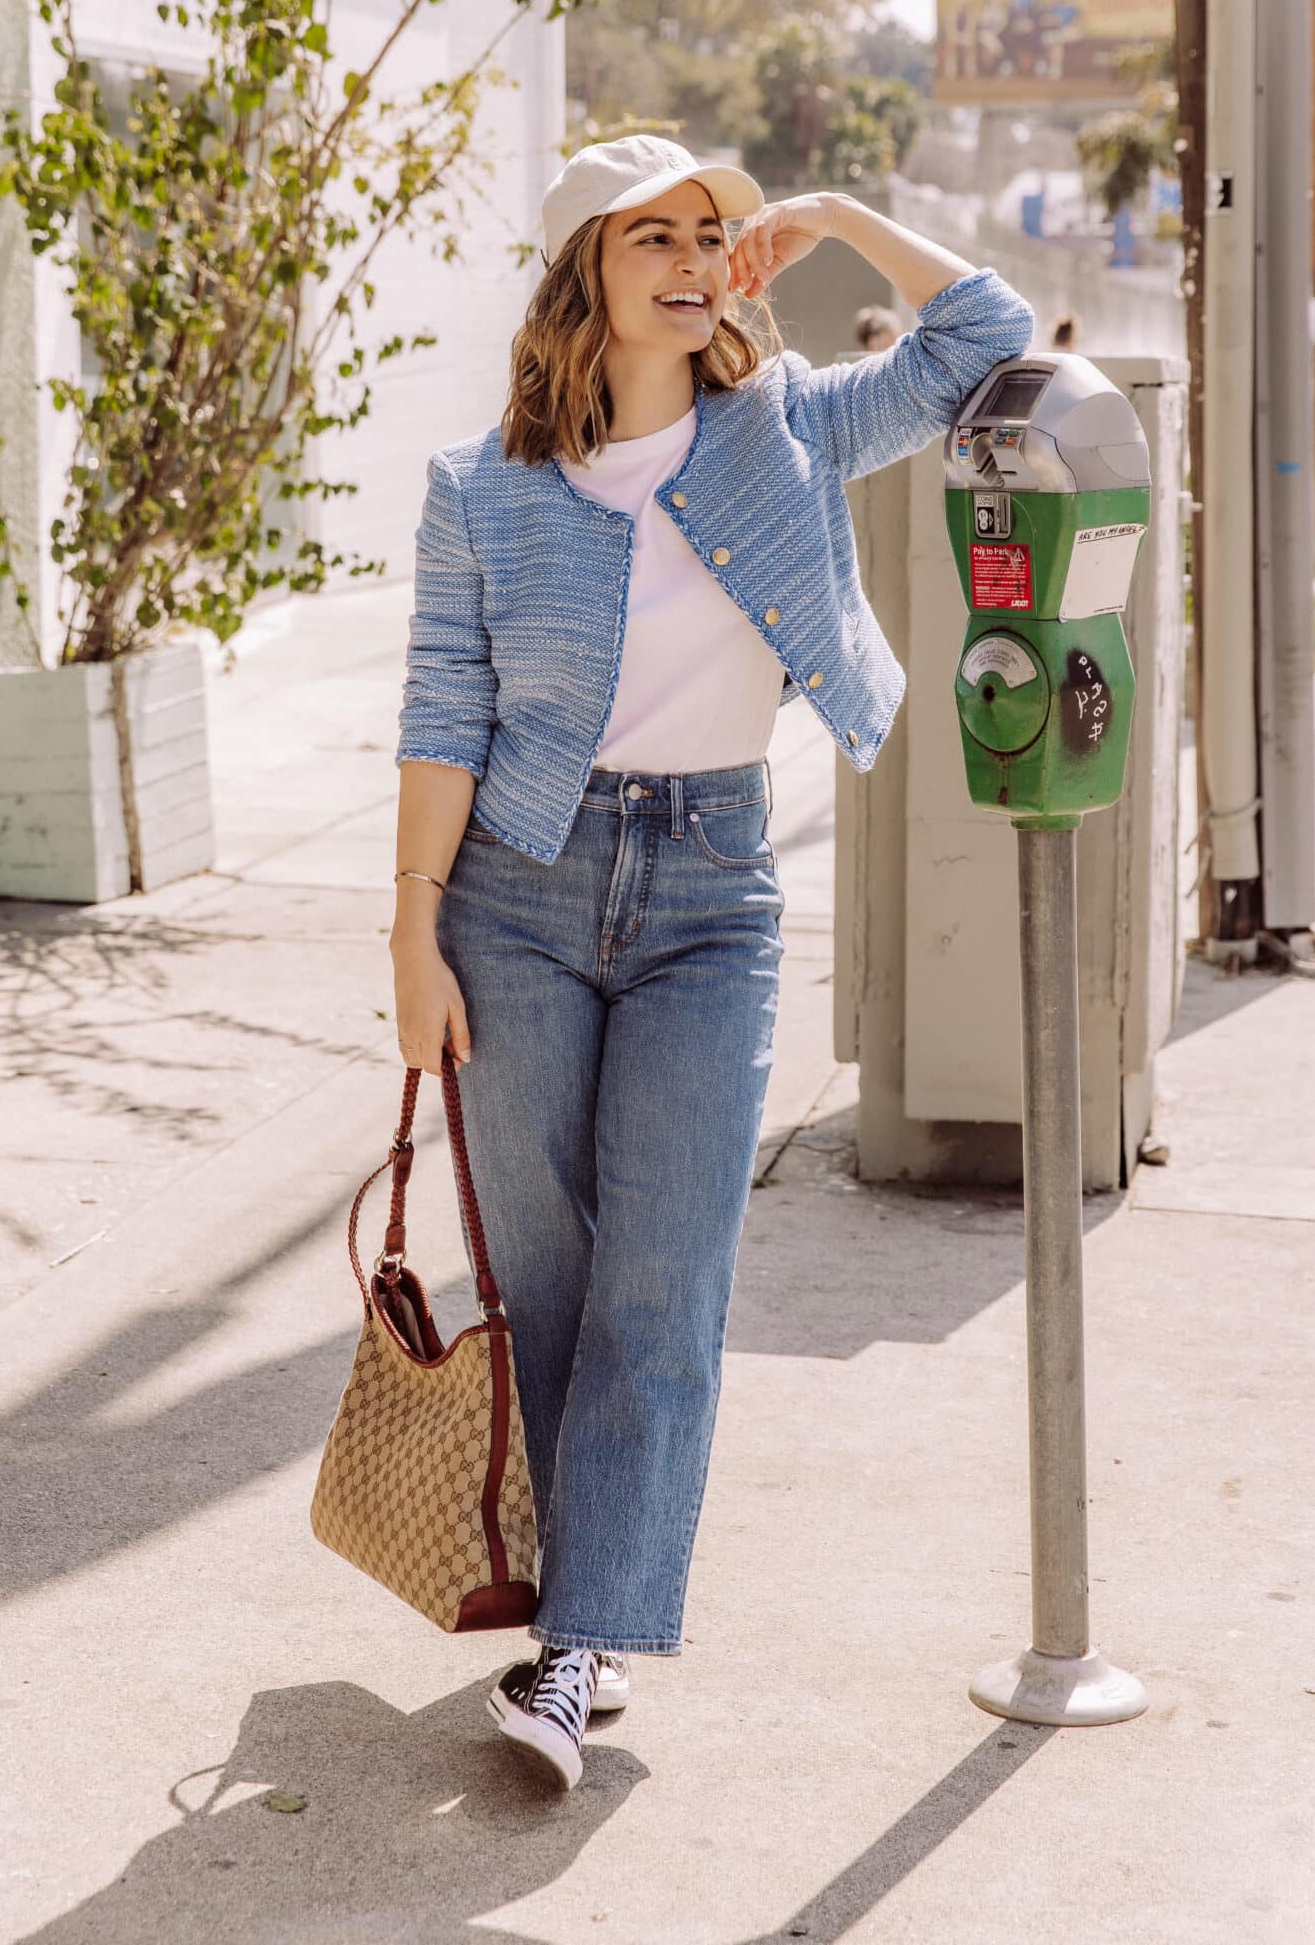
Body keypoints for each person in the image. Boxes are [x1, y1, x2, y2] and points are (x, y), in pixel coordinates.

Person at [390, 134, 1034, 1791]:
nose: (691, 258)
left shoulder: (788, 426)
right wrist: (413, 931)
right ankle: (574, 1615)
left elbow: (984, 334)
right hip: (516, 896)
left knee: (669, 1280)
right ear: (579, 272)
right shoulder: (481, 489)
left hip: (710, 895)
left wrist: (829, 222)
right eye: (650, 236)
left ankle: (581, 1640)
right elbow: (445, 715)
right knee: (548, 1281)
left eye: (710, 233)